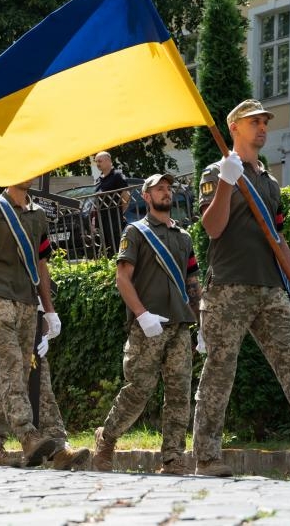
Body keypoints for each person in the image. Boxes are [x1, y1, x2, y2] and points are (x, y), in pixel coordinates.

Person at [191, 99, 290, 477]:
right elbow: (213, 228)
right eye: (254, 121)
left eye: (264, 121)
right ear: (234, 128)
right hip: (227, 287)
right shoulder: (216, 172)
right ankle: (207, 457)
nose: (262, 127)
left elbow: (278, 238)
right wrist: (226, 182)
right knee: (219, 371)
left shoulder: (270, 182)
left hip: (271, 288)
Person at [92, 173, 200, 475]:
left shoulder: (184, 237)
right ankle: (107, 438)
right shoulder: (136, 232)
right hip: (148, 325)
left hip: (179, 324)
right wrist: (141, 314)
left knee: (179, 392)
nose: (166, 193)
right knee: (139, 388)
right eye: (159, 189)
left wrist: (199, 322)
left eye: (168, 189)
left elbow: (192, 281)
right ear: (146, 196)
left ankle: (173, 457)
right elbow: (122, 278)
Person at [0, 179, 59, 467]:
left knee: (13, 375)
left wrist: (49, 310)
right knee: (10, 371)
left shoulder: (38, 215)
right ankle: (28, 434)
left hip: (27, 302)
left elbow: (42, 265)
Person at [0, 285, 90, 471]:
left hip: (31, 338)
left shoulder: (35, 265)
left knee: (43, 390)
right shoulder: (5, 263)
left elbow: (40, 306)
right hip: (4, 332)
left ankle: (59, 449)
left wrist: (44, 335)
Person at [93, 151, 130, 253]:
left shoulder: (117, 175)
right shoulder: (98, 180)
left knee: (117, 247)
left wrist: (119, 213)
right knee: (107, 248)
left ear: (109, 161)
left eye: (100, 161)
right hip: (102, 220)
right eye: (96, 162)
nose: (98, 164)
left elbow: (126, 195)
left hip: (114, 217)